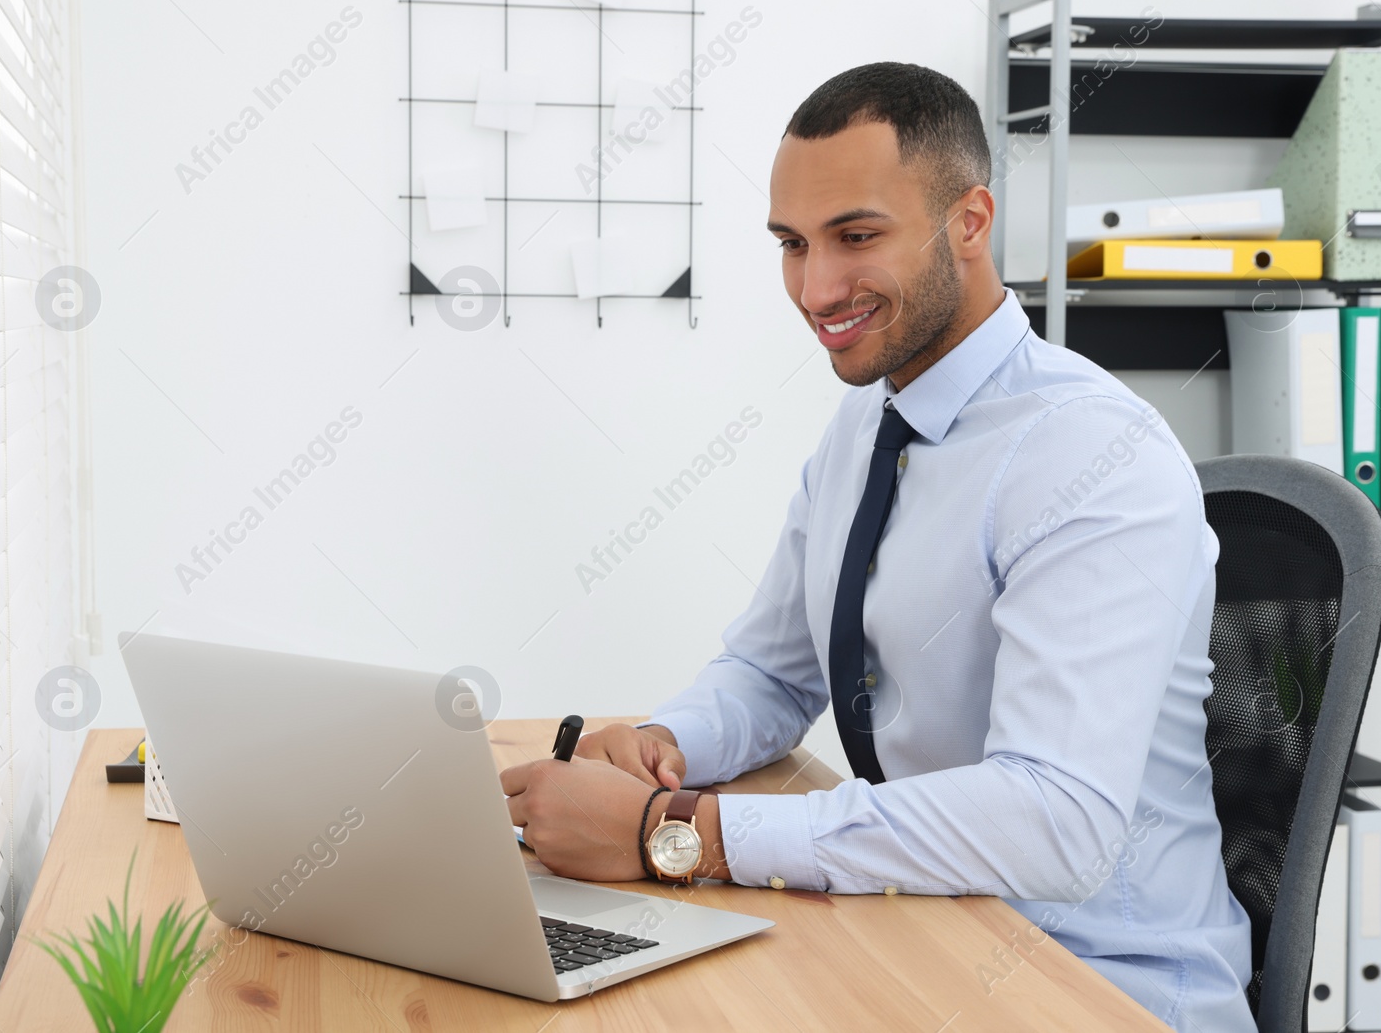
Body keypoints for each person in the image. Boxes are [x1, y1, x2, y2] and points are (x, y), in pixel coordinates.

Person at [501, 62, 1253, 1032]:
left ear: (969, 221)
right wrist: (668, 743)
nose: (815, 288)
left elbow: (1056, 820)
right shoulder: (863, 429)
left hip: (1102, 986)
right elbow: (770, 676)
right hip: (926, 932)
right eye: (791, 244)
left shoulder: (1094, 456)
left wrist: (675, 833)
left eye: (855, 236)